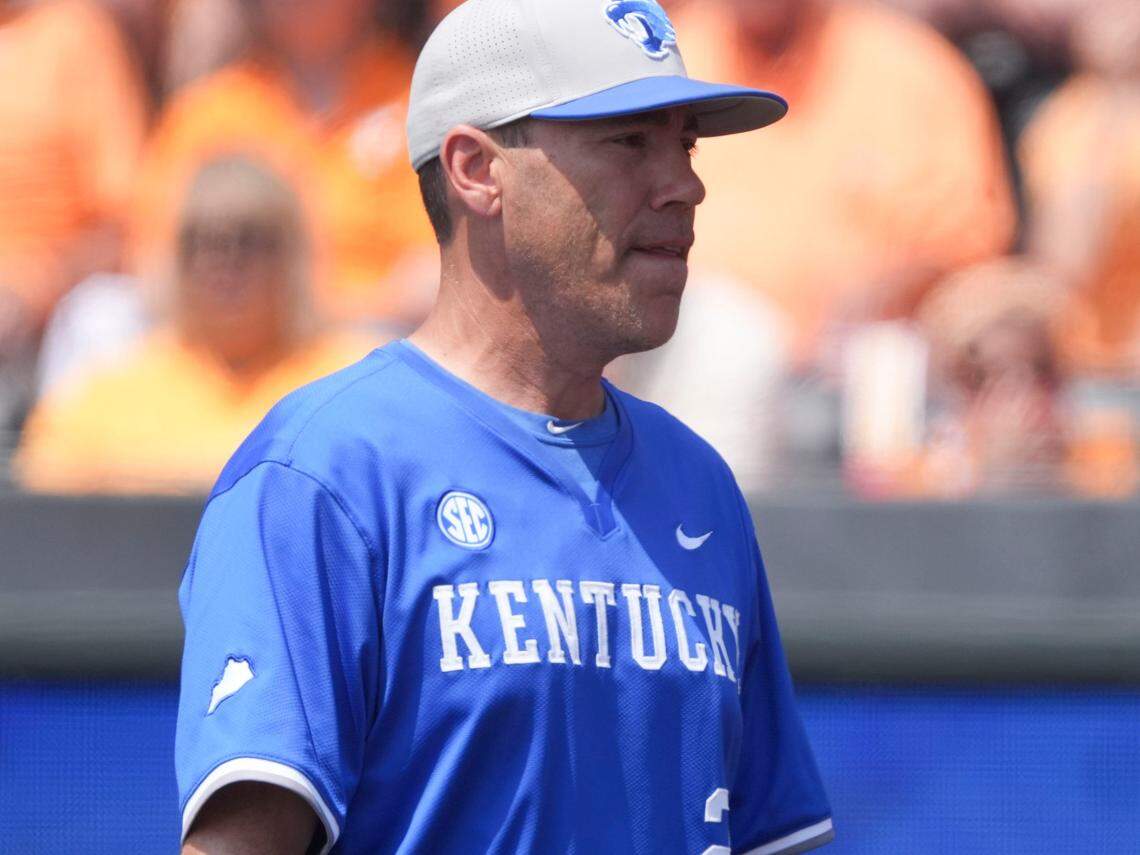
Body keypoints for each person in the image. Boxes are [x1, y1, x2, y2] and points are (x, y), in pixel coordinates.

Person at [175, 1, 833, 853]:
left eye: (687, 144)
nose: (685, 184)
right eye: (631, 141)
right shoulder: (324, 474)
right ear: (476, 170)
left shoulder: (697, 480)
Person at [15, 154, 371, 494]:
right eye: (205, 241)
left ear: (292, 255)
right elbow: (42, 509)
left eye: (250, 239)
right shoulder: (113, 394)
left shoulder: (347, 385)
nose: (226, 263)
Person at [131, 0, 437, 329]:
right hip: (232, 345)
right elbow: (153, 265)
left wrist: (323, 319)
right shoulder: (210, 111)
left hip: (369, 343)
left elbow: (435, 275)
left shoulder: (418, 102)